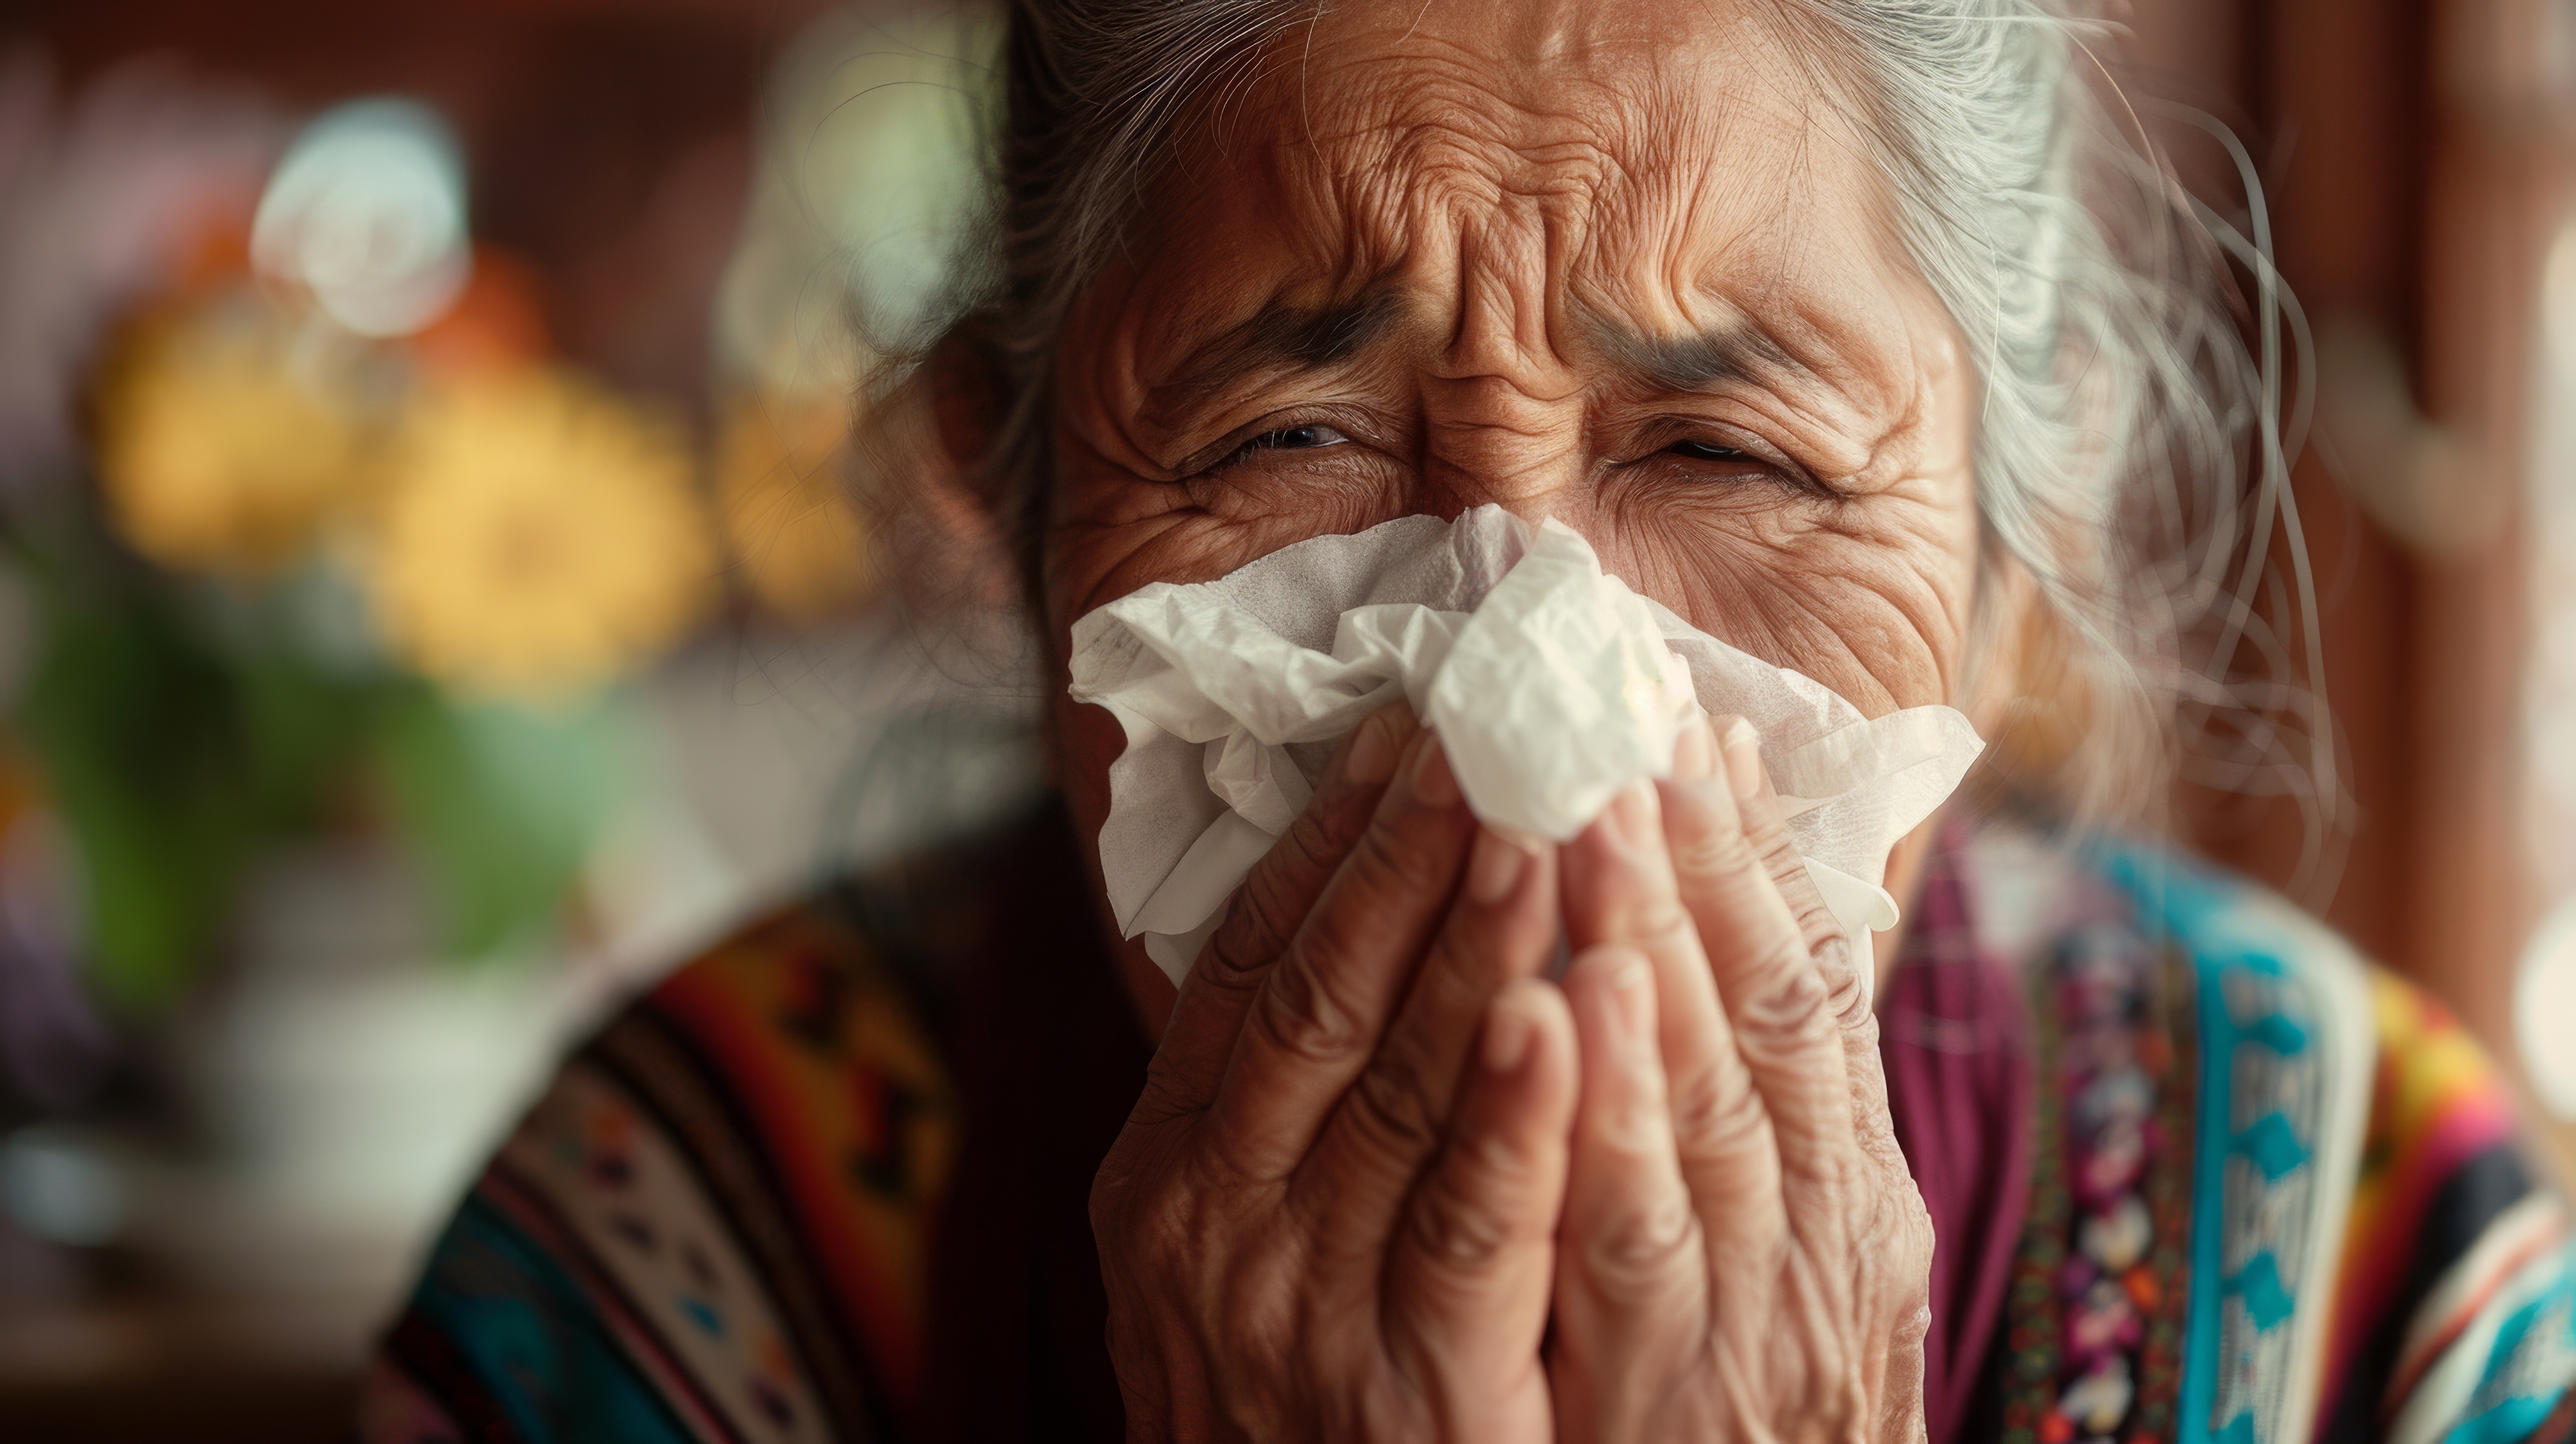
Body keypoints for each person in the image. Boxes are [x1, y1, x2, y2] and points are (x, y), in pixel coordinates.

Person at [358, 1, 2576, 1441]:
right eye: (1293, 443)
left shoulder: (2364, 1275)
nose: (1519, 662)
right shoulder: (677, 1251)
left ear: (2022, 538)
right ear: (1008, 508)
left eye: (1725, 457)